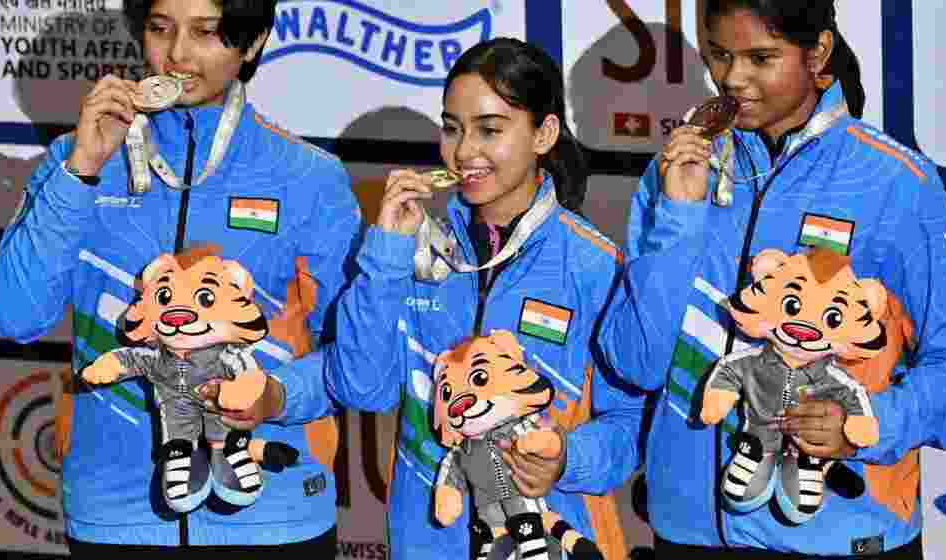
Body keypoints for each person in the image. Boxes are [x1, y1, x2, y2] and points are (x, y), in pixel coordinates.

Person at [597, 0, 946, 558]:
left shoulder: (893, 181)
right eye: (719, 55)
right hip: (687, 534)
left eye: (761, 57)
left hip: (838, 535)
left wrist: (867, 421)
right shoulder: (678, 170)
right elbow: (636, 361)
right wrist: (679, 218)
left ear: (819, 52)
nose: (733, 78)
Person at [224, 37, 645, 560]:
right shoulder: (414, 254)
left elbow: (628, 430)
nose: (465, 150)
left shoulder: (596, 266)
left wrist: (567, 458)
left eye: (490, 129)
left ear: (544, 133)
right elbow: (360, 385)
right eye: (452, 128)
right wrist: (385, 254)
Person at [0, 0, 360, 553]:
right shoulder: (75, 160)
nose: (177, 54)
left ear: (251, 44)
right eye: (160, 29)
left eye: (205, 33)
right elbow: (14, 316)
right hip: (114, 518)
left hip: (273, 519)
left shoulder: (307, 177)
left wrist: (277, 395)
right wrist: (80, 171)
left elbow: (355, 360)